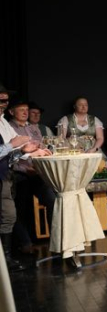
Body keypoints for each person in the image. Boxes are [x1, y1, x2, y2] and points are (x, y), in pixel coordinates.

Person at [0, 90, 50, 272]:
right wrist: (15, 147)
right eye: (1, 101)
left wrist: (28, 151)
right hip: (15, 175)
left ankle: (6, 260)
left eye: (5, 101)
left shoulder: (4, 122)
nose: (4, 104)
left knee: (9, 215)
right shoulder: (8, 124)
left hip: (9, 175)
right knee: (11, 213)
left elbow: (12, 153)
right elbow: (10, 150)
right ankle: (12, 254)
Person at [8, 100, 56, 254]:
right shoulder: (8, 128)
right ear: (11, 112)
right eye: (21, 109)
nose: (25, 112)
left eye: (26, 109)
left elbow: (40, 146)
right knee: (20, 209)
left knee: (52, 201)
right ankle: (25, 243)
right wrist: (24, 168)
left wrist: (44, 155)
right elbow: (8, 155)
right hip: (18, 174)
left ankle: (56, 241)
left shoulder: (33, 127)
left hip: (36, 173)